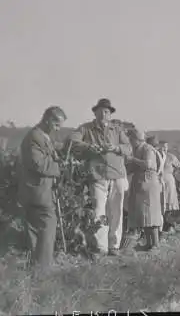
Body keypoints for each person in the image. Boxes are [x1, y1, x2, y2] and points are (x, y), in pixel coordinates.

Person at [70, 98, 132, 256]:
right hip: (97, 176)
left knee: (116, 212)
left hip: (117, 175)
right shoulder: (86, 129)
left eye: (107, 111)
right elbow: (73, 141)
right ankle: (101, 247)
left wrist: (116, 148)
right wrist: (89, 147)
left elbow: (129, 148)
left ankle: (114, 246)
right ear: (95, 112)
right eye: (101, 111)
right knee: (99, 212)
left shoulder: (117, 130)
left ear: (110, 114)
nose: (104, 114)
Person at [17, 106, 67, 270]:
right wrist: (60, 166)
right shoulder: (34, 137)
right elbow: (38, 164)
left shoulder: (41, 136)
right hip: (39, 191)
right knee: (48, 225)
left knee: (34, 229)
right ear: (48, 120)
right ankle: (44, 269)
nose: (58, 129)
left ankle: (35, 268)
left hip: (35, 190)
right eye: (57, 125)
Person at [126, 129, 163, 251]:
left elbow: (148, 164)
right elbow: (132, 167)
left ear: (138, 139)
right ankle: (148, 243)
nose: (130, 142)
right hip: (141, 184)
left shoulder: (147, 149)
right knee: (144, 216)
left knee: (151, 215)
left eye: (131, 139)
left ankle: (155, 244)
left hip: (149, 185)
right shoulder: (137, 150)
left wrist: (132, 160)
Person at [158, 140, 180, 234]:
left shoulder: (171, 157)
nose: (163, 149)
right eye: (161, 147)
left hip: (169, 182)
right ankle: (160, 225)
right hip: (158, 183)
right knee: (159, 204)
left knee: (169, 204)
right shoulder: (156, 156)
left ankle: (169, 225)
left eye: (165, 147)